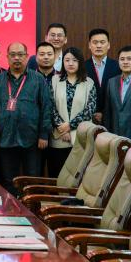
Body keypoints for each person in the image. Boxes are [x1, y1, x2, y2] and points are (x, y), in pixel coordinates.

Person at [0, 43, 52, 193]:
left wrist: (44, 134)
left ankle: (32, 207)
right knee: (8, 180)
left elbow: (46, 107)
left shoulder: (38, 79)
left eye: (20, 54)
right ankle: (11, 206)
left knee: (32, 179)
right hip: (5, 138)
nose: (17, 58)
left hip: (32, 138)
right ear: (7, 57)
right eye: (13, 55)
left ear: (27, 57)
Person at [49, 47, 97, 180]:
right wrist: (62, 129)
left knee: (78, 178)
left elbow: (90, 110)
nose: (70, 63)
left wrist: (69, 126)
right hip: (59, 136)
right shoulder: (55, 80)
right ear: (62, 62)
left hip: (80, 137)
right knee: (58, 176)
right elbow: (50, 106)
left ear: (80, 62)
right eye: (67, 60)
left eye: (74, 60)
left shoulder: (89, 82)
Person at [85, 28, 120, 124]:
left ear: (108, 45)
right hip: (88, 119)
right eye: (95, 42)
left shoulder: (118, 66)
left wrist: (104, 113)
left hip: (112, 118)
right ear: (89, 45)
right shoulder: (82, 67)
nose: (99, 46)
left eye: (102, 42)